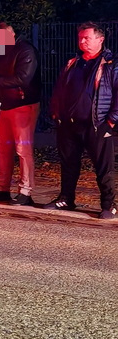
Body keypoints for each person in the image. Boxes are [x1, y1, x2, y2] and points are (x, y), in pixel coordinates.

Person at [46, 21, 117, 218]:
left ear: (100, 39)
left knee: (104, 167)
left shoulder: (111, 65)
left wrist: (111, 121)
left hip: (97, 124)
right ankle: (66, 199)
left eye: (87, 37)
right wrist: (56, 113)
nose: (82, 41)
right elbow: (60, 89)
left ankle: (108, 205)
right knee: (69, 164)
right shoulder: (73, 63)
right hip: (69, 124)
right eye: (80, 38)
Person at [0, 24, 40, 205]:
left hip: (23, 104)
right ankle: (2, 188)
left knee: (23, 149)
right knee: (4, 148)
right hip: (7, 105)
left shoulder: (25, 50)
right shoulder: (2, 52)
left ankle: (26, 191)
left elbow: (23, 78)